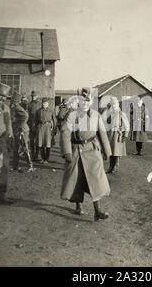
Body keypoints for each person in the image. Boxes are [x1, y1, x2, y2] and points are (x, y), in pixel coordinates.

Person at [60, 87, 111, 221]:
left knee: (96, 179)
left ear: (91, 102)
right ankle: (78, 206)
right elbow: (65, 133)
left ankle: (97, 210)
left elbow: (102, 133)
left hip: (92, 149)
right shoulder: (72, 115)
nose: (85, 104)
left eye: (88, 101)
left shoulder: (96, 115)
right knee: (76, 179)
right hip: (76, 149)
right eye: (83, 101)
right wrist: (67, 151)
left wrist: (107, 151)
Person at [102, 97, 130, 174]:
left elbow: (127, 125)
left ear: (117, 104)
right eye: (112, 104)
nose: (113, 105)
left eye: (115, 104)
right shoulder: (110, 113)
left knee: (117, 151)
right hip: (110, 134)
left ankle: (115, 167)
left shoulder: (121, 113)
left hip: (118, 134)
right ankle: (110, 167)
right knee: (111, 151)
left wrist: (125, 135)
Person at [10, 92, 35, 172]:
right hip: (16, 130)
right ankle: (15, 166)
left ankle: (31, 166)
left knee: (25, 148)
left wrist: (21, 125)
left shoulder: (17, 107)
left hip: (22, 130)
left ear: (15, 100)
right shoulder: (13, 107)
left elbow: (25, 115)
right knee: (16, 148)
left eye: (13, 99)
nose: (11, 100)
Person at [35, 97, 57, 164]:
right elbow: (35, 120)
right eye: (43, 103)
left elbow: (55, 120)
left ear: (48, 104)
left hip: (48, 128)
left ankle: (46, 159)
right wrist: (36, 127)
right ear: (42, 103)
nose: (45, 104)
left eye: (46, 103)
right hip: (40, 127)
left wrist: (54, 129)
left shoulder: (51, 111)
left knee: (48, 143)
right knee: (40, 143)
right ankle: (42, 158)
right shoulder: (38, 111)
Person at [28, 90, 42, 161]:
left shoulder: (40, 104)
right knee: (31, 141)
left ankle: (37, 154)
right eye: (32, 96)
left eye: (34, 96)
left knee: (38, 141)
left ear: (37, 96)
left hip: (38, 124)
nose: (33, 97)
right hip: (31, 124)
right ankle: (32, 155)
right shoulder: (29, 104)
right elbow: (27, 114)